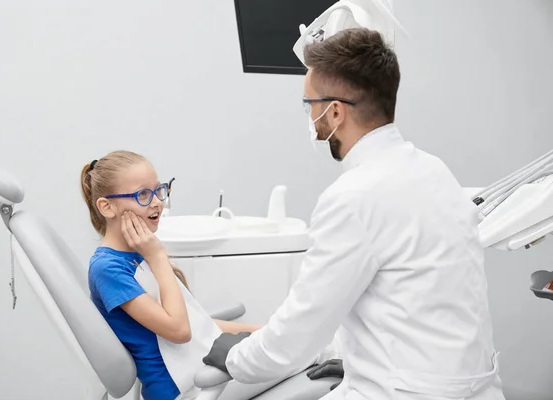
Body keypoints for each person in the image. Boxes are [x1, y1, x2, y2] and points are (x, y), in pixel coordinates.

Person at [203, 28, 506, 400]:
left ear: (334, 111)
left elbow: (297, 334)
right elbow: (413, 301)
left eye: (309, 105)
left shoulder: (353, 197)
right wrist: (345, 354)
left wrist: (234, 357)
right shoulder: (431, 170)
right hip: (469, 386)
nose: (310, 117)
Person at [80, 150, 262, 400]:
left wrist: (264, 330)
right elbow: (180, 331)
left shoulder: (139, 252)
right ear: (107, 207)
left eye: (158, 190)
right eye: (142, 195)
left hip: (203, 370)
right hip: (184, 389)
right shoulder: (109, 269)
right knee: (310, 355)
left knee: (301, 348)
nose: (157, 202)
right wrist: (158, 257)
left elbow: (199, 326)